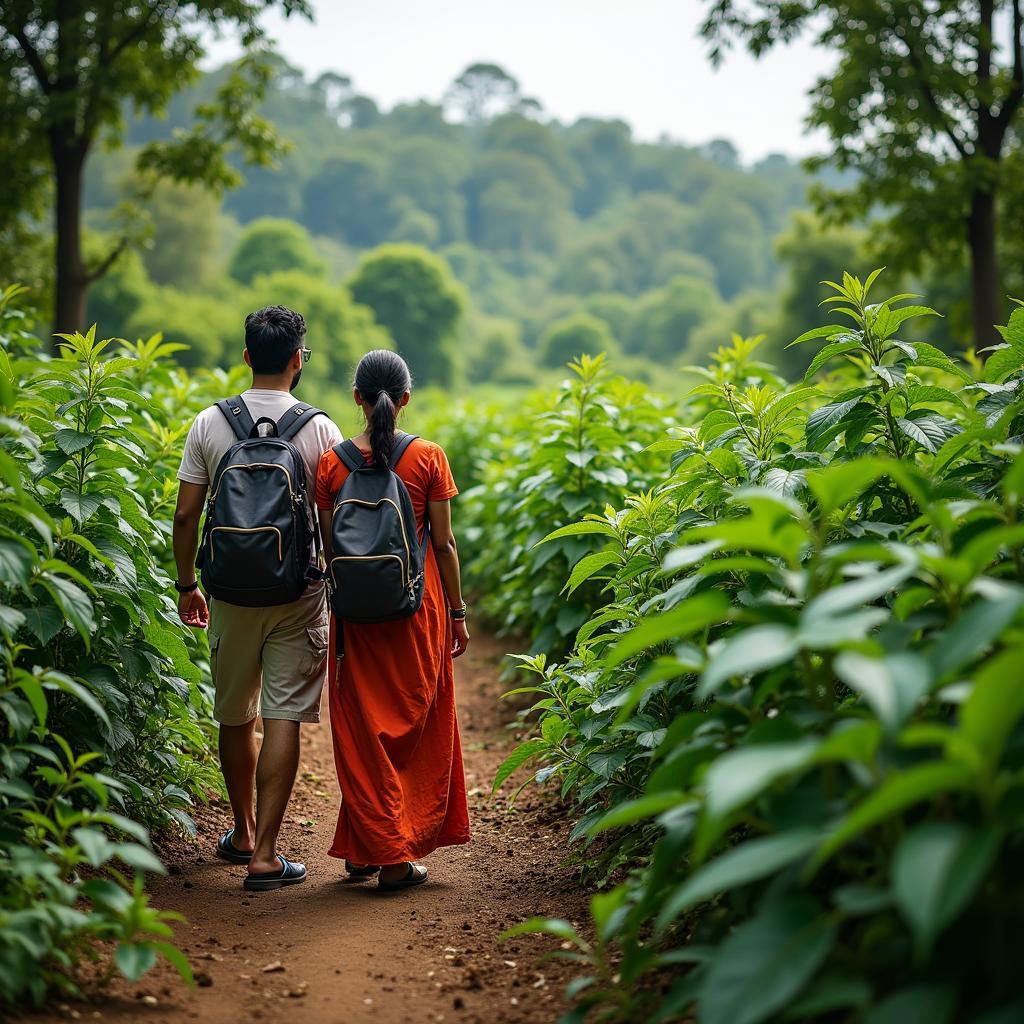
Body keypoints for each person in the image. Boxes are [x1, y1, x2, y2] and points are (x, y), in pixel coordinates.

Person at [172, 305, 342, 890]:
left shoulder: (209, 424)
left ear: (247, 356)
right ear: (299, 360)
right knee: (283, 716)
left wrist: (187, 585)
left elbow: (186, 514)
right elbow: (334, 522)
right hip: (299, 593)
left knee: (234, 715)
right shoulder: (321, 430)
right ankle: (267, 855)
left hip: (227, 594)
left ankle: (241, 832)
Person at [315, 349, 470, 891]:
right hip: (416, 609)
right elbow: (444, 544)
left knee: (361, 731)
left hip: (355, 618)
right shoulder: (429, 458)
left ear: (357, 398)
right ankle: (396, 858)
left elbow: (330, 545)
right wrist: (457, 612)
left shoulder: (331, 464)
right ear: (406, 399)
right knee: (413, 727)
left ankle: (367, 846)